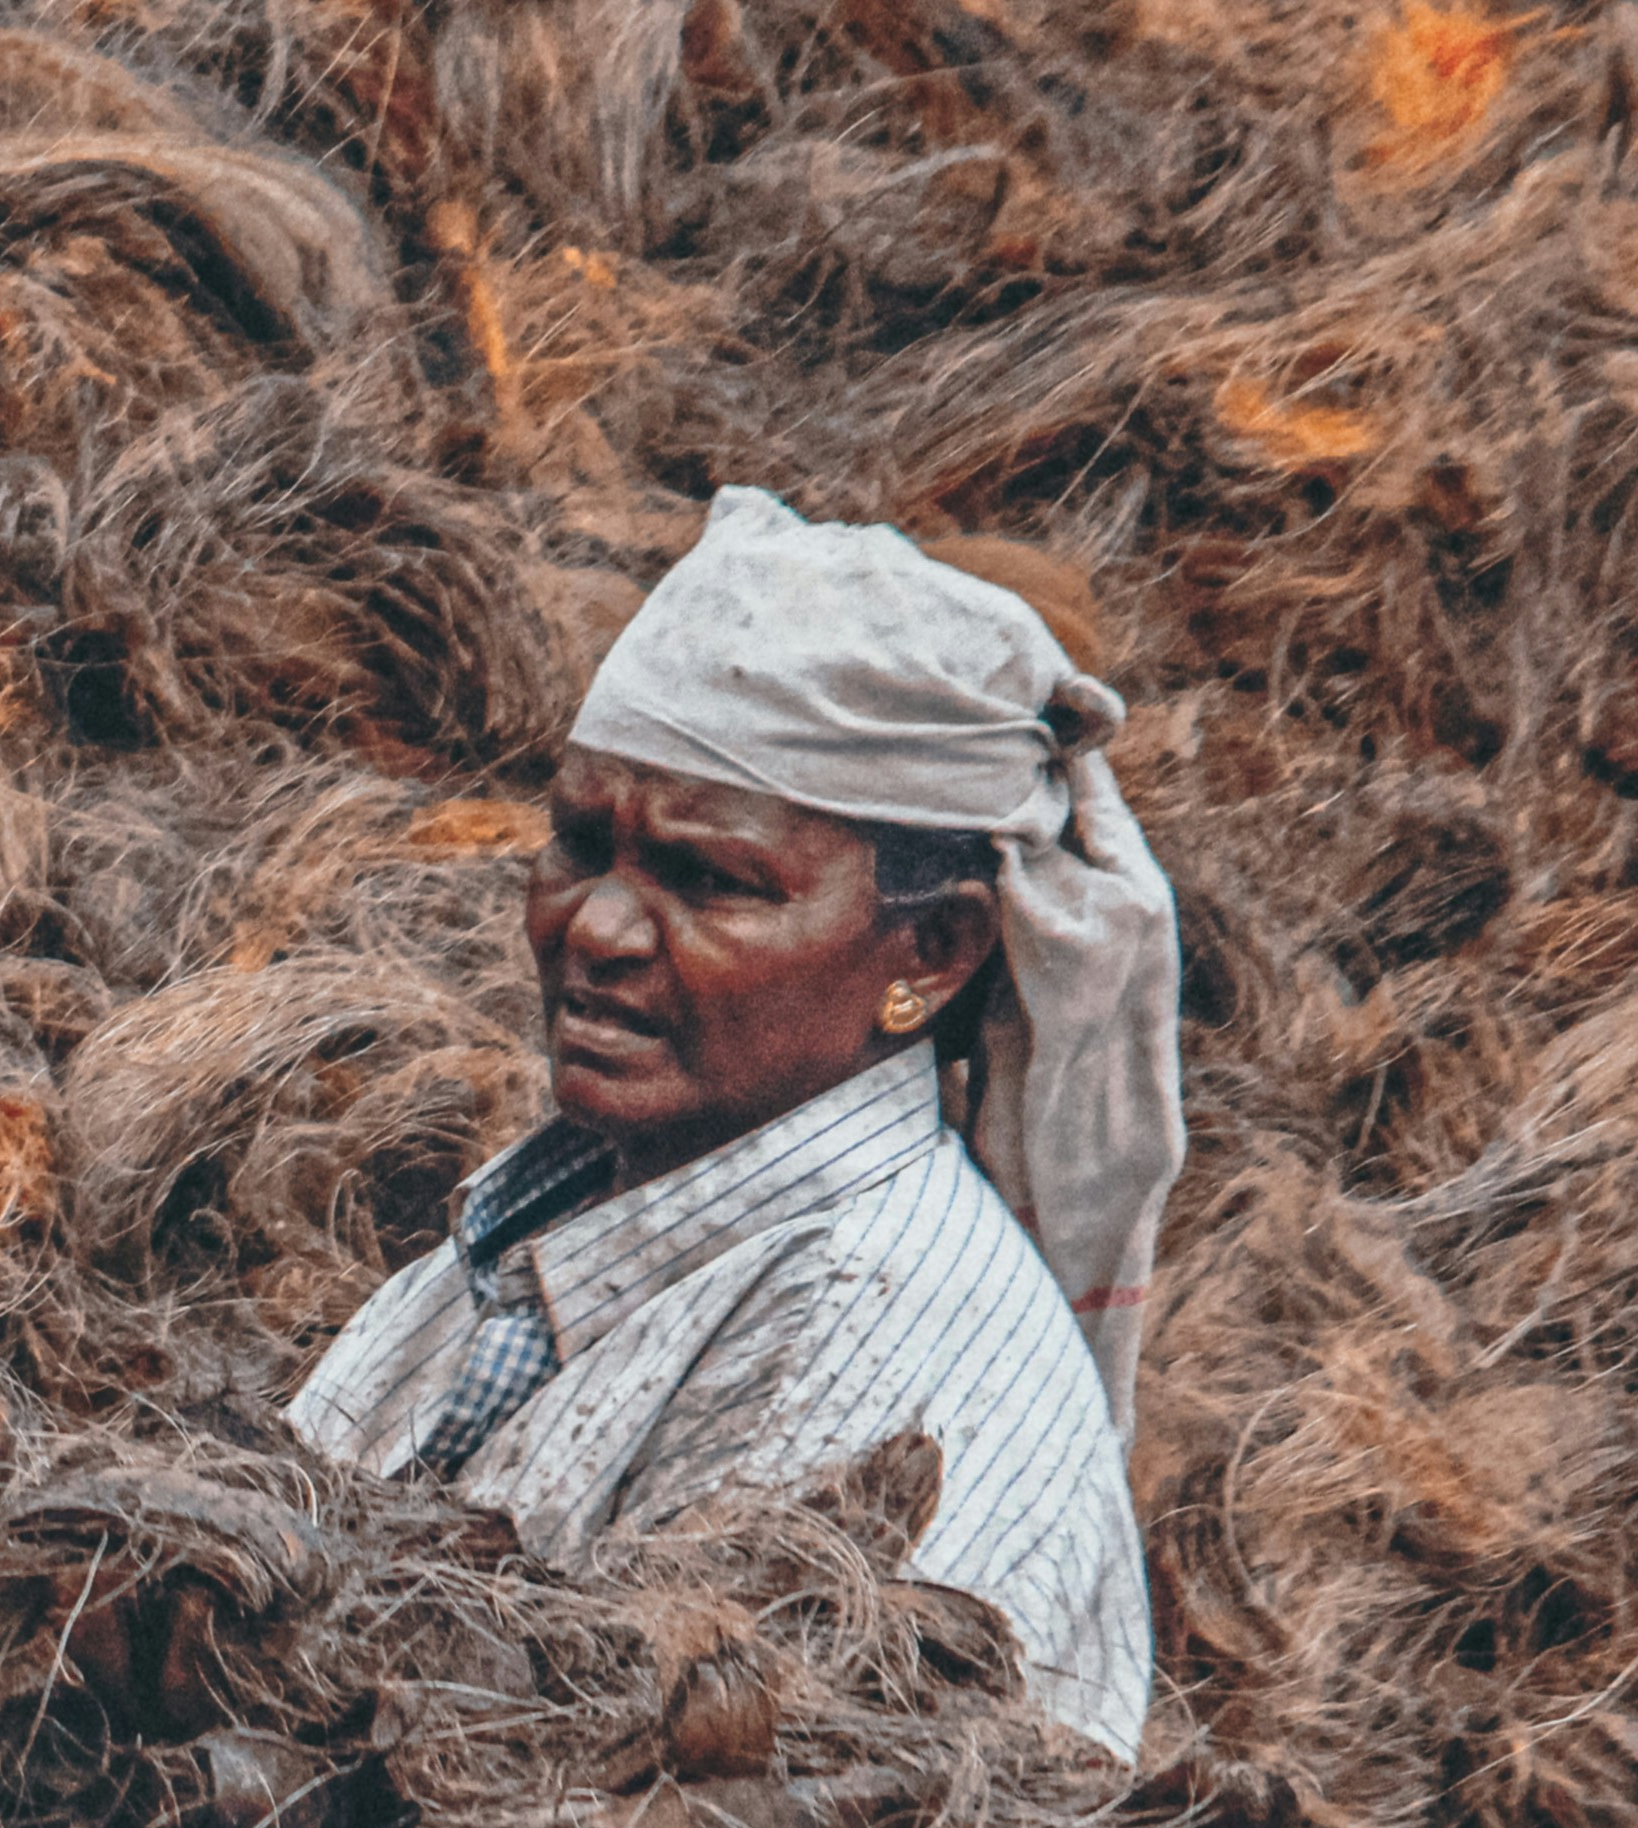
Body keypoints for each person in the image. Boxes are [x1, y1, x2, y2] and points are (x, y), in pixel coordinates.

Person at [284, 488, 1177, 1759]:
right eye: (582, 843)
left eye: (710, 880)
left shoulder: (870, 1338)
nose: (594, 927)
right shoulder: (551, 1220)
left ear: (933, 950)